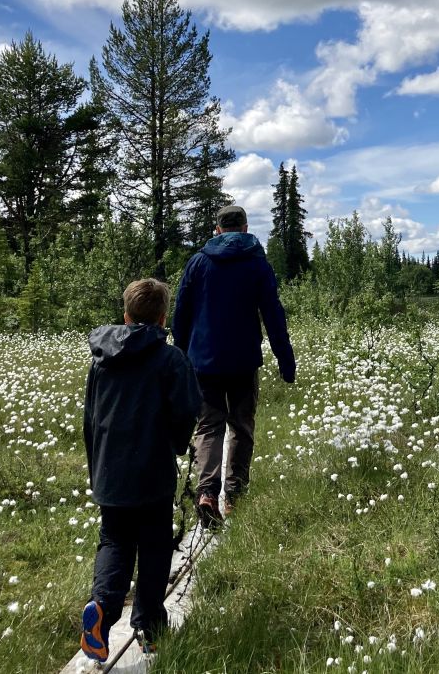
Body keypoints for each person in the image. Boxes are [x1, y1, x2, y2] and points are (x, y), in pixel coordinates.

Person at [80, 278, 200, 664]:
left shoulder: (101, 358)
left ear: (126, 314)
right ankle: (149, 626)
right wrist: (179, 444)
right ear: (164, 317)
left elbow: (91, 416)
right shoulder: (170, 359)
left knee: (114, 540)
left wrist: (96, 464)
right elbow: (187, 410)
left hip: (109, 471)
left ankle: (101, 608)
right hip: (152, 471)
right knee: (153, 546)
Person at [172, 204, 296, 526]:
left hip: (203, 362)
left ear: (217, 230)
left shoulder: (198, 263)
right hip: (243, 361)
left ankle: (207, 493)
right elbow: (273, 314)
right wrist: (285, 358)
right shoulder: (257, 264)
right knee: (241, 425)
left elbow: (181, 314)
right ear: (244, 228)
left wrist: (179, 358)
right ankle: (235, 496)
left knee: (209, 426)